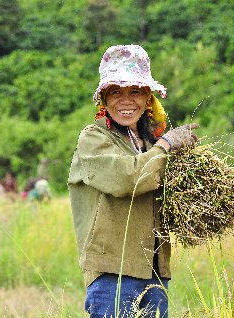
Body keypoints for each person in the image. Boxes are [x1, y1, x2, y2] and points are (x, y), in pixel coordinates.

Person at [68, 44, 199, 318]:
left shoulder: (150, 140)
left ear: (148, 98)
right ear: (103, 98)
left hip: (155, 271)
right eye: (116, 92)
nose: (126, 101)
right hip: (112, 272)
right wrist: (165, 145)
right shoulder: (93, 139)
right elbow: (127, 178)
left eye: (135, 92)